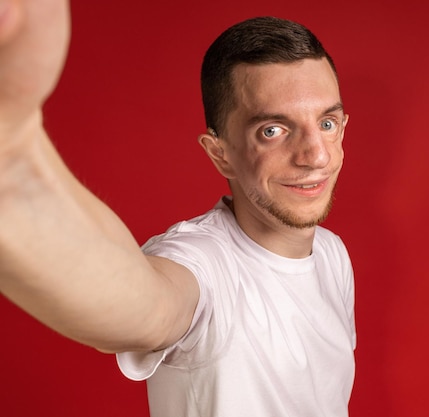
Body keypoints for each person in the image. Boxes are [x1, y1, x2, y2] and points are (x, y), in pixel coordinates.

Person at [0, 1, 355, 417]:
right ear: (220, 154)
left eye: (326, 124)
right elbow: (146, 307)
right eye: (272, 131)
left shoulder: (333, 256)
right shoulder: (200, 265)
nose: (315, 155)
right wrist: (13, 162)